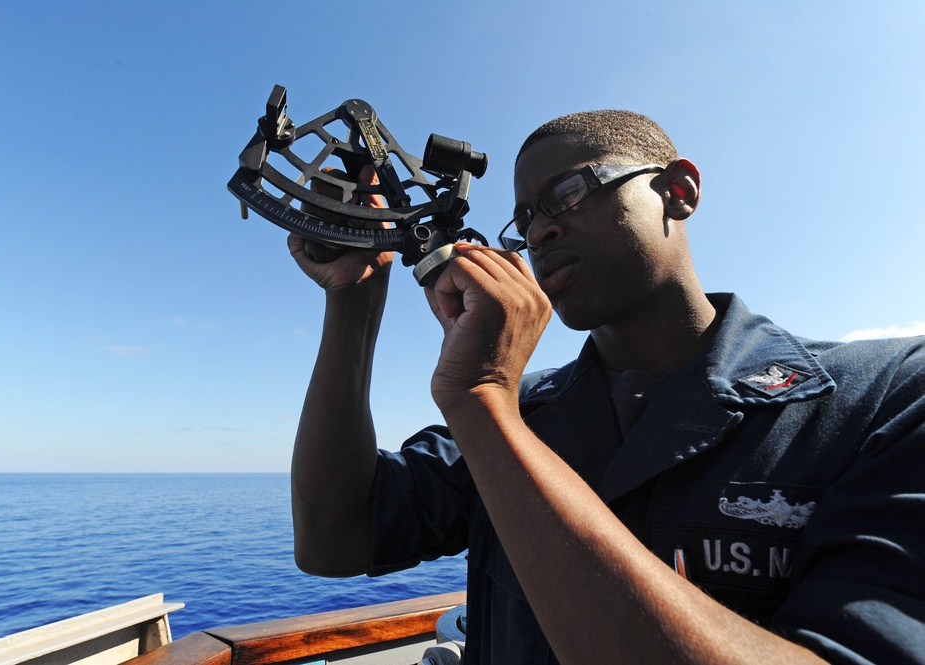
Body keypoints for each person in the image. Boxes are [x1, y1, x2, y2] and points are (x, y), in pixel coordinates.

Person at [286, 110, 925, 664]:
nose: (538, 233)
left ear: (679, 190)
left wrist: (482, 396)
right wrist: (356, 297)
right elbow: (334, 539)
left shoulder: (886, 396)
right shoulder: (522, 414)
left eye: (565, 193)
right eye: (524, 220)